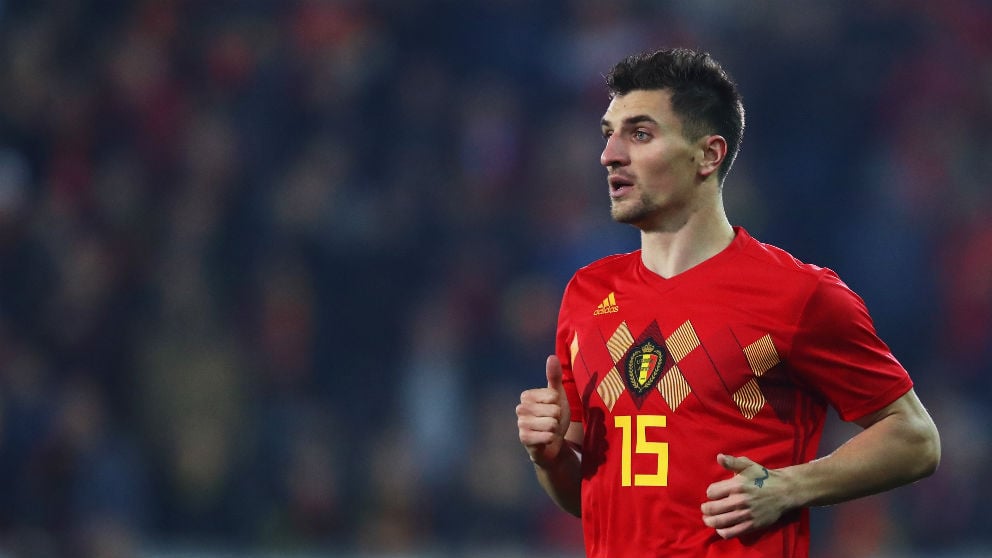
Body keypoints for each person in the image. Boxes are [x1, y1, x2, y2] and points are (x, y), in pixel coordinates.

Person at [515, 47, 940, 557]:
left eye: (640, 134)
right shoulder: (587, 294)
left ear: (708, 154)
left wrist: (792, 486)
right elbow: (589, 495)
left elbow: (915, 438)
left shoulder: (798, 294)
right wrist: (551, 457)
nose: (610, 155)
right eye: (609, 133)